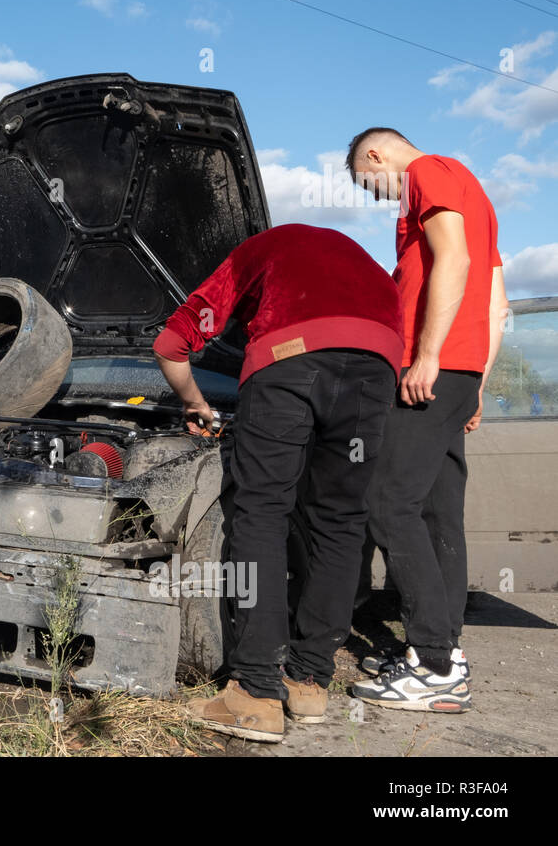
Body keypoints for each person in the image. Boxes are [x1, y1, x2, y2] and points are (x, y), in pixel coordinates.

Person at [155, 223, 403, 743]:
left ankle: (255, 692)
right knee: (340, 521)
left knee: (262, 514)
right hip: (377, 371)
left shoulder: (257, 251)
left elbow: (171, 343)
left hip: (291, 362)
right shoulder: (362, 261)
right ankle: (309, 680)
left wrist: (194, 403)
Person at [345, 128, 507, 714]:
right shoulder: (472, 189)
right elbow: (496, 299)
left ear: (375, 156)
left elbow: (456, 260)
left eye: (371, 185)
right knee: (439, 512)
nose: (379, 197)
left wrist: (429, 354)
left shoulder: (428, 172)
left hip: (431, 370)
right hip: (458, 376)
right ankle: (443, 652)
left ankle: (435, 665)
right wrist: (476, 382)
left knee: (388, 503)